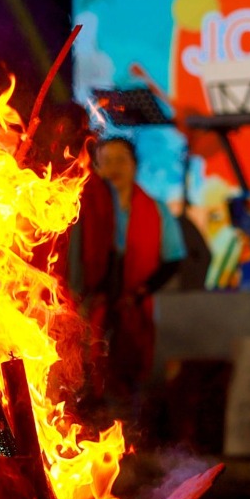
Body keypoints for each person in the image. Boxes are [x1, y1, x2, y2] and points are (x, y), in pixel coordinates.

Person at [70, 136, 185, 411]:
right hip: (90, 304)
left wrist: (139, 293)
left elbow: (173, 260)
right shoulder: (79, 208)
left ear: (135, 165)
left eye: (121, 160)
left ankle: (125, 426)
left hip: (135, 306)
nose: (114, 167)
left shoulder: (155, 210)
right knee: (85, 370)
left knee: (128, 376)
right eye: (106, 161)